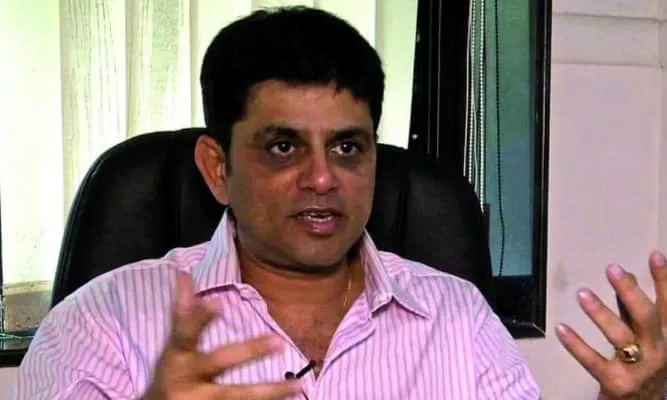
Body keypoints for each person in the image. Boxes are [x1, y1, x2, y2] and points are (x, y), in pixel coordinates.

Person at [7, 6, 667, 399]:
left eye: (348, 147)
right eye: (283, 147)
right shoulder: (104, 323)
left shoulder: (455, 316)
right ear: (217, 168)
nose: (323, 179)